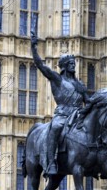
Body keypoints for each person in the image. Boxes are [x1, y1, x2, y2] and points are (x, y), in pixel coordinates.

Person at [31, 31, 90, 176]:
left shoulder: (79, 84)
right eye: (70, 63)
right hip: (63, 115)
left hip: (78, 116)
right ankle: (51, 162)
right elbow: (41, 66)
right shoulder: (57, 79)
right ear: (64, 66)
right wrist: (33, 48)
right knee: (56, 127)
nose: (73, 65)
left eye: (73, 63)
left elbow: (88, 102)